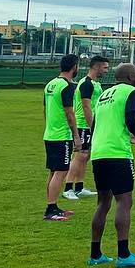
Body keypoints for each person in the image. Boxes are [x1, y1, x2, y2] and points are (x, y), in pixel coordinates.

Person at [88, 62, 135, 268]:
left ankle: (95, 254)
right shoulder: (132, 91)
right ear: (131, 77)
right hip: (118, 154)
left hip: (99, 153)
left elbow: (95, 124)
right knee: (124, 201)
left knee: (103, 203)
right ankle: (123, 254)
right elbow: (130, 117)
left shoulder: (104, 95)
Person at [42, 54, 80, 221]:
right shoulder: (67, 86)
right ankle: (50, 210)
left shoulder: (50, 84)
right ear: (74, 67)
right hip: (61, 135)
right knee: (61, 171)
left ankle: (53, 205)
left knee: (54, 171)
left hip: (50, 134)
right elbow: (70, 113)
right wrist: (76, 136)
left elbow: (45, 110)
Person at [64, 54, 107, 200]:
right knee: (80, 155)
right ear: (97, 67)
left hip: (89, 125)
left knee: (86, 156)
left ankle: (79, 187)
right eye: (105, 67)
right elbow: (86, 107)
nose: (107, 71)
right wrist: (93, 127)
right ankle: (68, 188)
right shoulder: (86, 84)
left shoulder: (96, 84)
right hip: (84, 124)